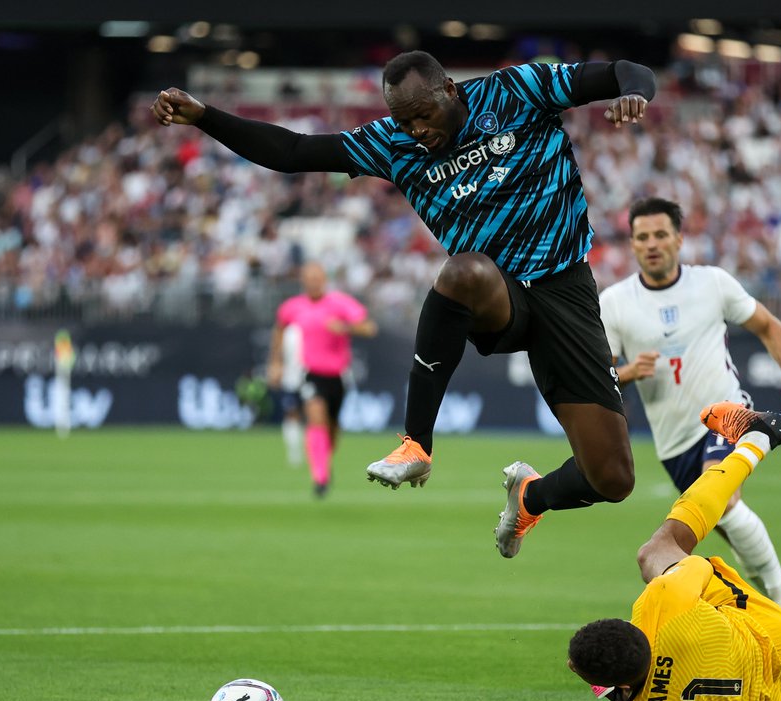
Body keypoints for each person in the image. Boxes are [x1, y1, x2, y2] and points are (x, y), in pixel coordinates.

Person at [152, 51, 656, 556]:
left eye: (424, 114)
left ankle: (530, 495)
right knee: (462, 271)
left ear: (451, 90)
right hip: (496, 295)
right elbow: (293, 151)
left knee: (611, 477)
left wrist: (633, 91)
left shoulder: (515, 90)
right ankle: (417, 442)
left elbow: (625, 72)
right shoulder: (391, 144)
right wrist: (205, 117)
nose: (416, 129)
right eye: (403, 119)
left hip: (565, 290)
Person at [598, 197, 781, 665]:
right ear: (633, 245)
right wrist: (625, 372)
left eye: (661, 235)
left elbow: (765, 323)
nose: (652, 244)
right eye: (642, 237)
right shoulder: (616, 303)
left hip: (726, 412)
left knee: (725, 501)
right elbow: (593, 373)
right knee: (727, 525)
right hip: (673, 443)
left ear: (679, 239)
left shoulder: (712, 283)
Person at [567, 401, 781, 701]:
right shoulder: (662, 605)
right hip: (773, 634)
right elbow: (698, 567)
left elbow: (633, 697)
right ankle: (757, 440)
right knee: (657, 552)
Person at [270, 263, 377, 497]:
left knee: (332, 428)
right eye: (308, 278)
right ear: (303, 281)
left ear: (324, 280)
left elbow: (369, 328)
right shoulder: (292, 307)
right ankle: (320, 476)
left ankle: (323, 460)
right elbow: (279, 330)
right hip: (310, 374)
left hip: (338, 375)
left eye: (317, 278)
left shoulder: (340, 303)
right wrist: (275, 362)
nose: (313, 282)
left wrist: (346, 327)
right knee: (315, 417)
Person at [267, 322, 307, 468]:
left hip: (313, 376)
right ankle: (294, 452)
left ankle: (315, 452)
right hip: (292, 378)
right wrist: (275, 367)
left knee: (315, 415)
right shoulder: (288, 329)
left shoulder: (315, 324)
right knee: (291, 414)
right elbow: (278, 352)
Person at [52, 329, 75, 439]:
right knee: (60, 400)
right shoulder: (60, 349)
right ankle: (61, 425)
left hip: (65, 377)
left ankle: (64, 425)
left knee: (64, 401)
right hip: (60, 377)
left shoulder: (67, 349)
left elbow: (70, 361)